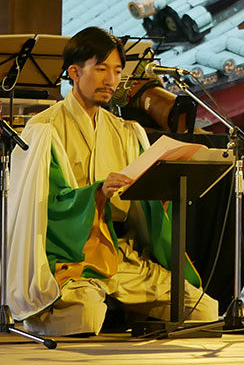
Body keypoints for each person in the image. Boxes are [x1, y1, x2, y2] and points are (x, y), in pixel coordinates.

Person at [7, 28, 219, 336]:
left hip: (122, 254)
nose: (111, 80)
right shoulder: (44, 128)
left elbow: (144, 207)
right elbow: (38, 207)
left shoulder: (127, 131)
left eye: (117, 71)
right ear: (74, 72)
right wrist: (96, 194)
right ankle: (41, 317)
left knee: (203, 310)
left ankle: (128, 313)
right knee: (87, 316)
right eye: (102, 68)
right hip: (73, 258)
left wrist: (161, 188)